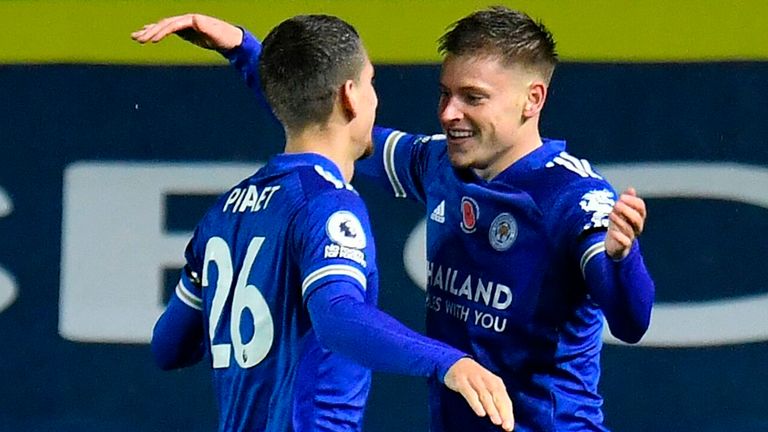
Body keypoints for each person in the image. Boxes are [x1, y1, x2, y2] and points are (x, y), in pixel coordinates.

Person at [135, 7, 655, 431]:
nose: (449, 113)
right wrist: (247, 52)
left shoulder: (573, 196)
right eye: (445, 93)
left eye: (473, 98)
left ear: (531, 100)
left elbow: (631, 321)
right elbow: (327, 122)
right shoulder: (438, 165)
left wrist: (622, 258)